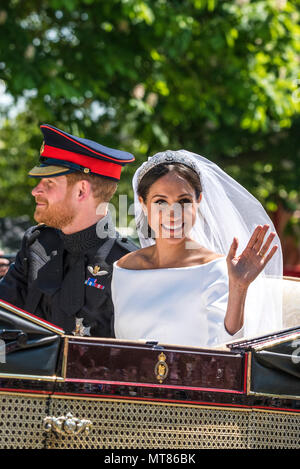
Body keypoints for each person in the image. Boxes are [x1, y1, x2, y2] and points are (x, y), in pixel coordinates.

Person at [112, 150, 283, 348]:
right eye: (160, 202)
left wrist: (239, 287)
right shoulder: (124, 269)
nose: (173, 214)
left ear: (198, 200)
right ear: (143, 203)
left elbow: (226, 350)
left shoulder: (218, 268)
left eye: (183, 201)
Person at [0, 124, 137, 337]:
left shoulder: (127, 263)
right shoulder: (36, 244)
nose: (35, 191)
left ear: (81, 191)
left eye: (49, 183)